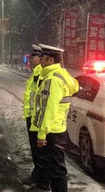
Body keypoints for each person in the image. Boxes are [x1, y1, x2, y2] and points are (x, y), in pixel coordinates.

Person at [30, 43, 79, 192]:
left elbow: (48, 109)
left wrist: (42, 134)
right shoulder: (61, 75)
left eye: (43, 59)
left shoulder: (53, 80)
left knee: (56, 169)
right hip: (57, 128)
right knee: (54, 166)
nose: (40, 61)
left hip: (51, 131)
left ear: (50, 60)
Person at [22, 44, 43, 185]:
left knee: (39, 151)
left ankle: (41, 179)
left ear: (40, 58)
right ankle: (38, 175)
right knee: (35, 150)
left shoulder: (41, 73)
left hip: (37, 118)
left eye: (33, 56)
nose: (30, 58)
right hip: (32, 116)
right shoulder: (35, 72)